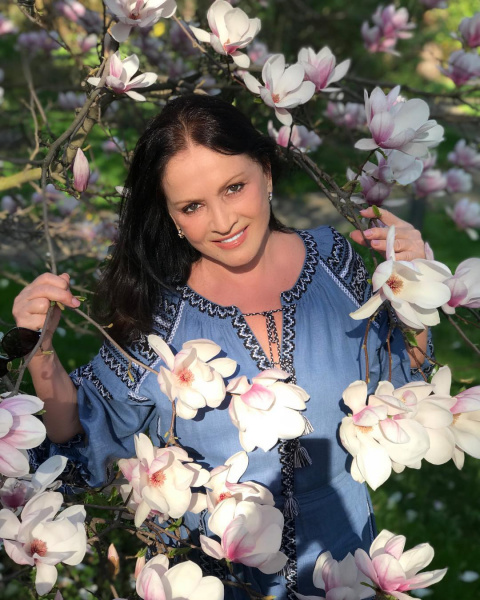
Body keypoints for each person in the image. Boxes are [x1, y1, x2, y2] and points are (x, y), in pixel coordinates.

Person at [13, 94, 430, 600]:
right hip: (217, 581)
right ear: (171, 216)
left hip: (345, 567)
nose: (222, 221)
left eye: (234, 188)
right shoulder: (156, 317)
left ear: (267, 173)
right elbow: (81, 436)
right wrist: (41, 351)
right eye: (192, 206)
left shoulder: (333, 262)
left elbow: (398, 380)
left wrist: (417, 289)